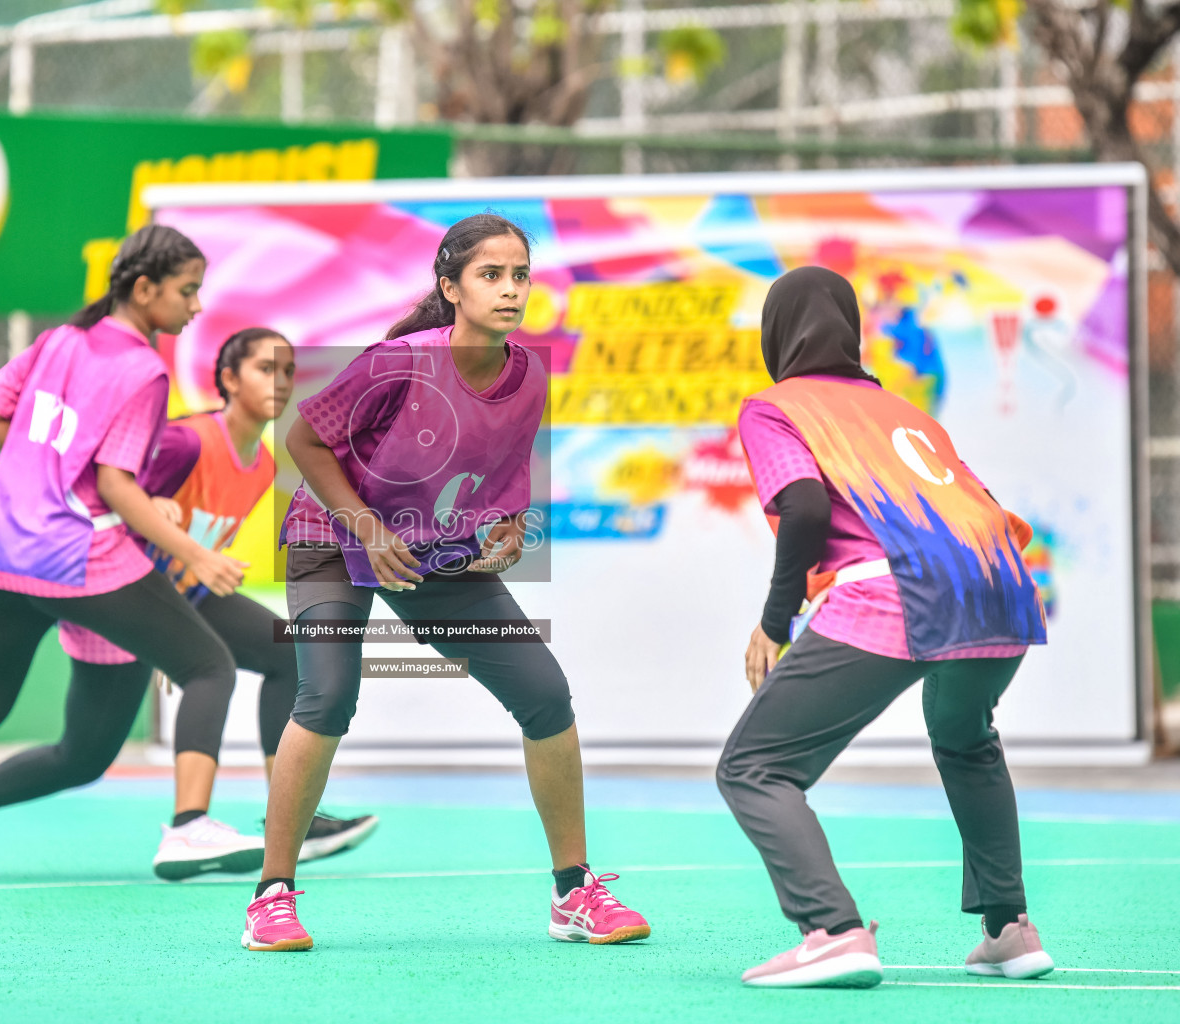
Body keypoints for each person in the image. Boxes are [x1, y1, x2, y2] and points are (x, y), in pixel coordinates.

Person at [240, 213, 651, 952]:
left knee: (545, 693)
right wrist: (366, 528)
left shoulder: (528, 377)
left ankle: (573, 893)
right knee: (328, 695)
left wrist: (508, 532)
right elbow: (304, 438)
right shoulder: (397, 361)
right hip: (332, 537)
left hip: (429, 552)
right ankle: (272, 897)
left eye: (520, 275)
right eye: (491, 275)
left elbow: (503, 489)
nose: (510, 289)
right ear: (450, 287)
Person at [0, 224, 243, 884]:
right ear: (144, 290)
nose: (195, 307)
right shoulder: (144, 370)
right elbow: (116, 484)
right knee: (209, 666)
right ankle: (188, 828)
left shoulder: (59, 340)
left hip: (5, 552)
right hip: (78, 558)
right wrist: (193, 554)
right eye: (188, 291)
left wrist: (47, 471)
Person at [0, 328, 378, 881]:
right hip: (120, 593)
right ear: (227, 379)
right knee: (82, 756)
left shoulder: (260, 466)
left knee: (284, 652)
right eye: (264, 369)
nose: (279, 383)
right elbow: (111, 505)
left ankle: (296, 814)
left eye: (287, 372)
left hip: (183, 597)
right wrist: (166, 635)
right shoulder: (184, 443)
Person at [720, 266, 1053, 987]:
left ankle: (832, 931)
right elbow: (987, 507)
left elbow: (806, 508)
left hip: (900, 590)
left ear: (776, 335)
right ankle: (1010, 930)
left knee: (755, 767)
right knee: (967, 741)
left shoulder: (776, 407)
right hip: (1004, 585)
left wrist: (774, 623)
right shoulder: (906, 414)